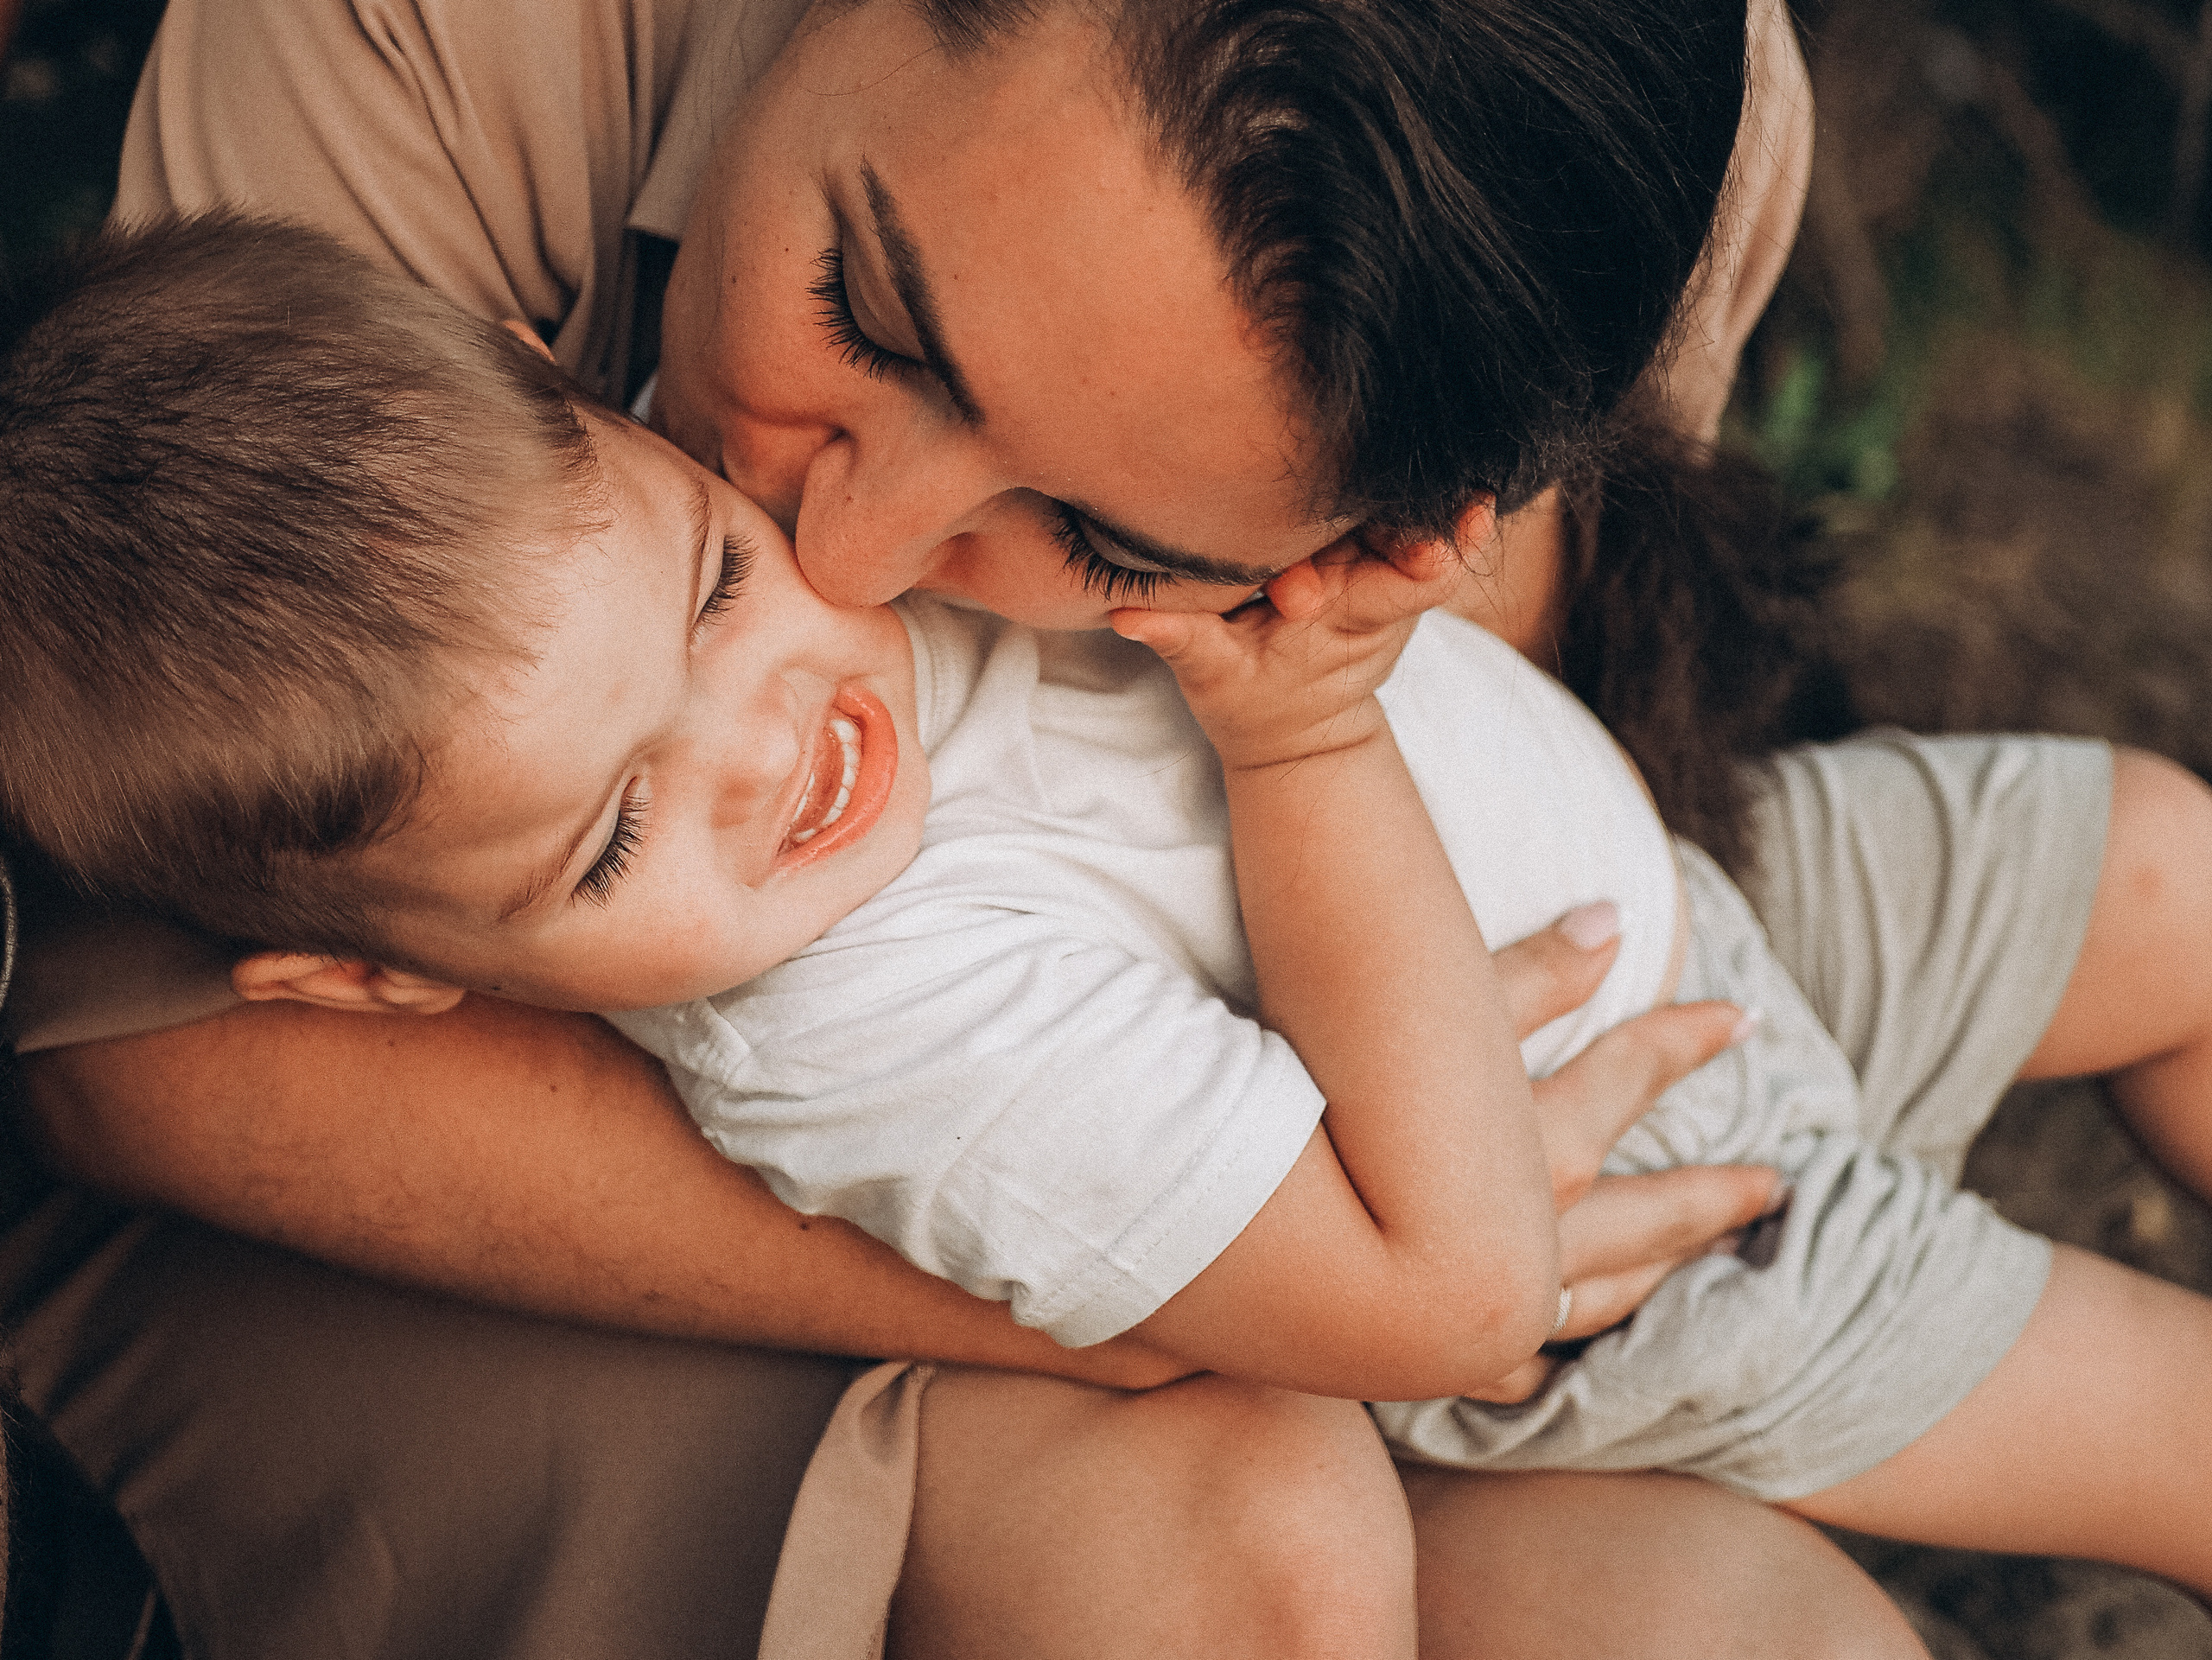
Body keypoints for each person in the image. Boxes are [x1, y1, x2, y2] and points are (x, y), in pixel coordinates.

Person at [5, 0, 2194, 1653]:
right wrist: (1234, 1293)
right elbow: (164, 1059)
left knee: (2154, 873)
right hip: (1454, 1161)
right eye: (867, 312)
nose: (848, 563)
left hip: (1567, 953)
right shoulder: (850, 962)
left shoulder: (1580, 127)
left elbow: (1502, 691)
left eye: (1103, 526)